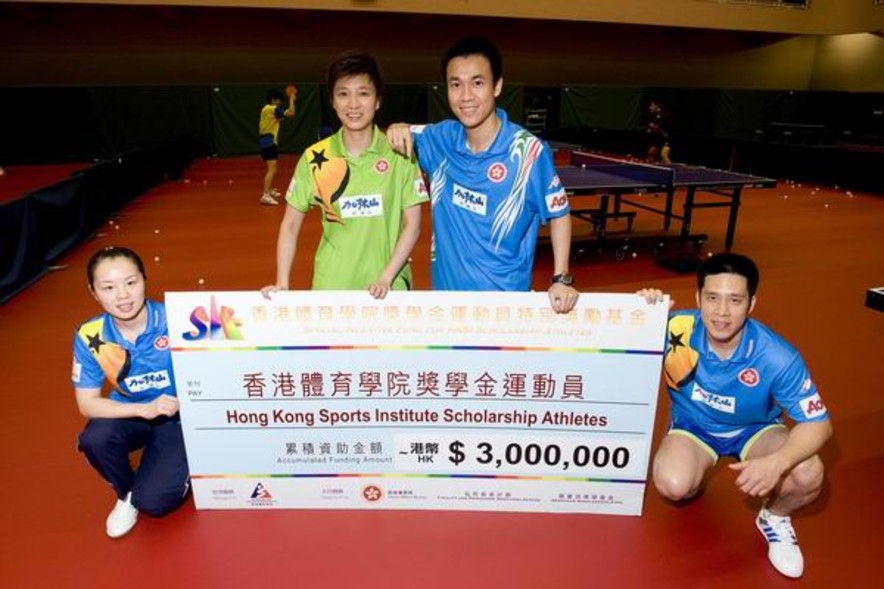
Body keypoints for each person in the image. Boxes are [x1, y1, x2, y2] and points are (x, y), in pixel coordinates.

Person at [644, 253, 831, 579]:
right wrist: (641, 310)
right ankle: (696, 464)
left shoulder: (777, 355)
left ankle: (773, 517)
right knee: (674, 485)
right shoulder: (675, 328)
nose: (721, 312)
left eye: (735, 300)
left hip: (754, 430)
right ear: (698, 296)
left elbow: (818, 423)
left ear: (752, 303)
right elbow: (610, 331)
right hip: (693, 425)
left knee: (807, 471)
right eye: (713, 298)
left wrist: (779, 460)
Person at [386, 37, 578, 313]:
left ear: (497, 85)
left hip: (504, 309)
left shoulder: (528, 153)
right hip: (446, 305)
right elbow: (397, 133)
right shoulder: (440, 139)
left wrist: (561, 278)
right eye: (455, 84)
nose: (465, 96)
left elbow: (559, 212)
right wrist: (396, 125)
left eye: (477, 83)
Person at [262, 52, 427, 298]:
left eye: (363, 93)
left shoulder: (400, 155)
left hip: (389, 288)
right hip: (332, 288)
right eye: (343, 94)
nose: (353, 104)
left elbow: (412, 225)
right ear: (332, 100)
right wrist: (282, 282)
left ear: (378, 100)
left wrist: (386, 277)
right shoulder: (314, 157)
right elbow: (290, 223)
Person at [71, 246, 189, 538]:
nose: (122, 296)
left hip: (178, 419)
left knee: (155, 502)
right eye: (108, 287)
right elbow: (87, 404)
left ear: (144, 280)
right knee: (94, 438)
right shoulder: (90, 335)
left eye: (131, 283)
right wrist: (142, 409)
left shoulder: (177, 319)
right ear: (93, 292)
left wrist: (266, 303)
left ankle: (176, 461)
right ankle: (125, 494)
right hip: (133, 413)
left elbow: (234, 329)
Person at [259, 87, 296, 205]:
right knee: (272, 168)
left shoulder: (267, 110)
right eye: (279, 100)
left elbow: (283, 117)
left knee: (273, 167)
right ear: (273, 99)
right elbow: (291, 113)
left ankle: (269, 190)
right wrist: (291, 99)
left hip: (267, 141)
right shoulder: (272, 108)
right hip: (268, 141)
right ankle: (265, 195)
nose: (280, 103)